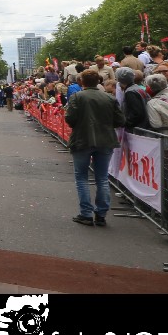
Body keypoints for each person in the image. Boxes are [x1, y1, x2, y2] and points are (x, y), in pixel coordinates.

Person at [63, 69, 124, 227]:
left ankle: (86, 213)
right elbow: (119, 120)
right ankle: (101, 214)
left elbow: (70, 118)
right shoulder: (109, 98)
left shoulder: (77, 96)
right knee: (102, 178)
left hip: (82, 139)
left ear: (82, 82)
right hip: (105, 140)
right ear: (98, 81)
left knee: (81, 177)